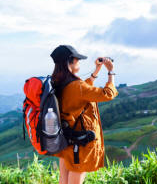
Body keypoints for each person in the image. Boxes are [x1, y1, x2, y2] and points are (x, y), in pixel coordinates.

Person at [49, 45, 119, 184]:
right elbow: (107, 94)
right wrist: (111, 72)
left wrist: (96, 71)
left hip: (66, 138)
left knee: (63, 179)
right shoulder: (77, 86)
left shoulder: (58, 81)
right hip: (79, 142)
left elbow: (81, 92)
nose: (79, 63)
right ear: (71, 61)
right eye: (78, 60)